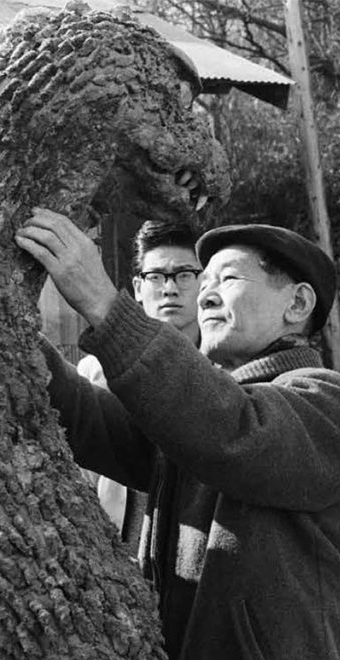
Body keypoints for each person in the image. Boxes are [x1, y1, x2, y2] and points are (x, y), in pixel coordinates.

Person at [16, 209, 340, 660]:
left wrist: (102, 303)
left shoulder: (328, 401)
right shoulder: (198, 410)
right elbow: (91, 418)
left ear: (297, 303)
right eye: (202, 281)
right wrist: (15, 335)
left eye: (226, 279)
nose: (203, 294)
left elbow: (230, 429)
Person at [80, 220, 202, 542]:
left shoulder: (223, 374)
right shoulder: (96, 370)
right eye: (156, 276)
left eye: (185, 275)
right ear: (137, 287)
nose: (170, 288)